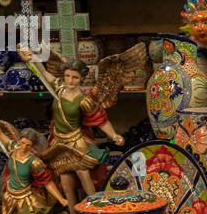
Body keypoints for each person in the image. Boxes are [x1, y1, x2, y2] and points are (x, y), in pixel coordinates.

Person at [18, 48, 126, 205]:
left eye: (75, 77)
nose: (70, 80)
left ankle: (96, 209)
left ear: (81, 78)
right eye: (67, 76)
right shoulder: (59, 89)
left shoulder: (84, 100)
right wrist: (30, 59)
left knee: (85, 178)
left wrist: (114, 135)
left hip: (77, 144)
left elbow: (100, 120)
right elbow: (43, 74)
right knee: (67, 187)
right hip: (59, 144)